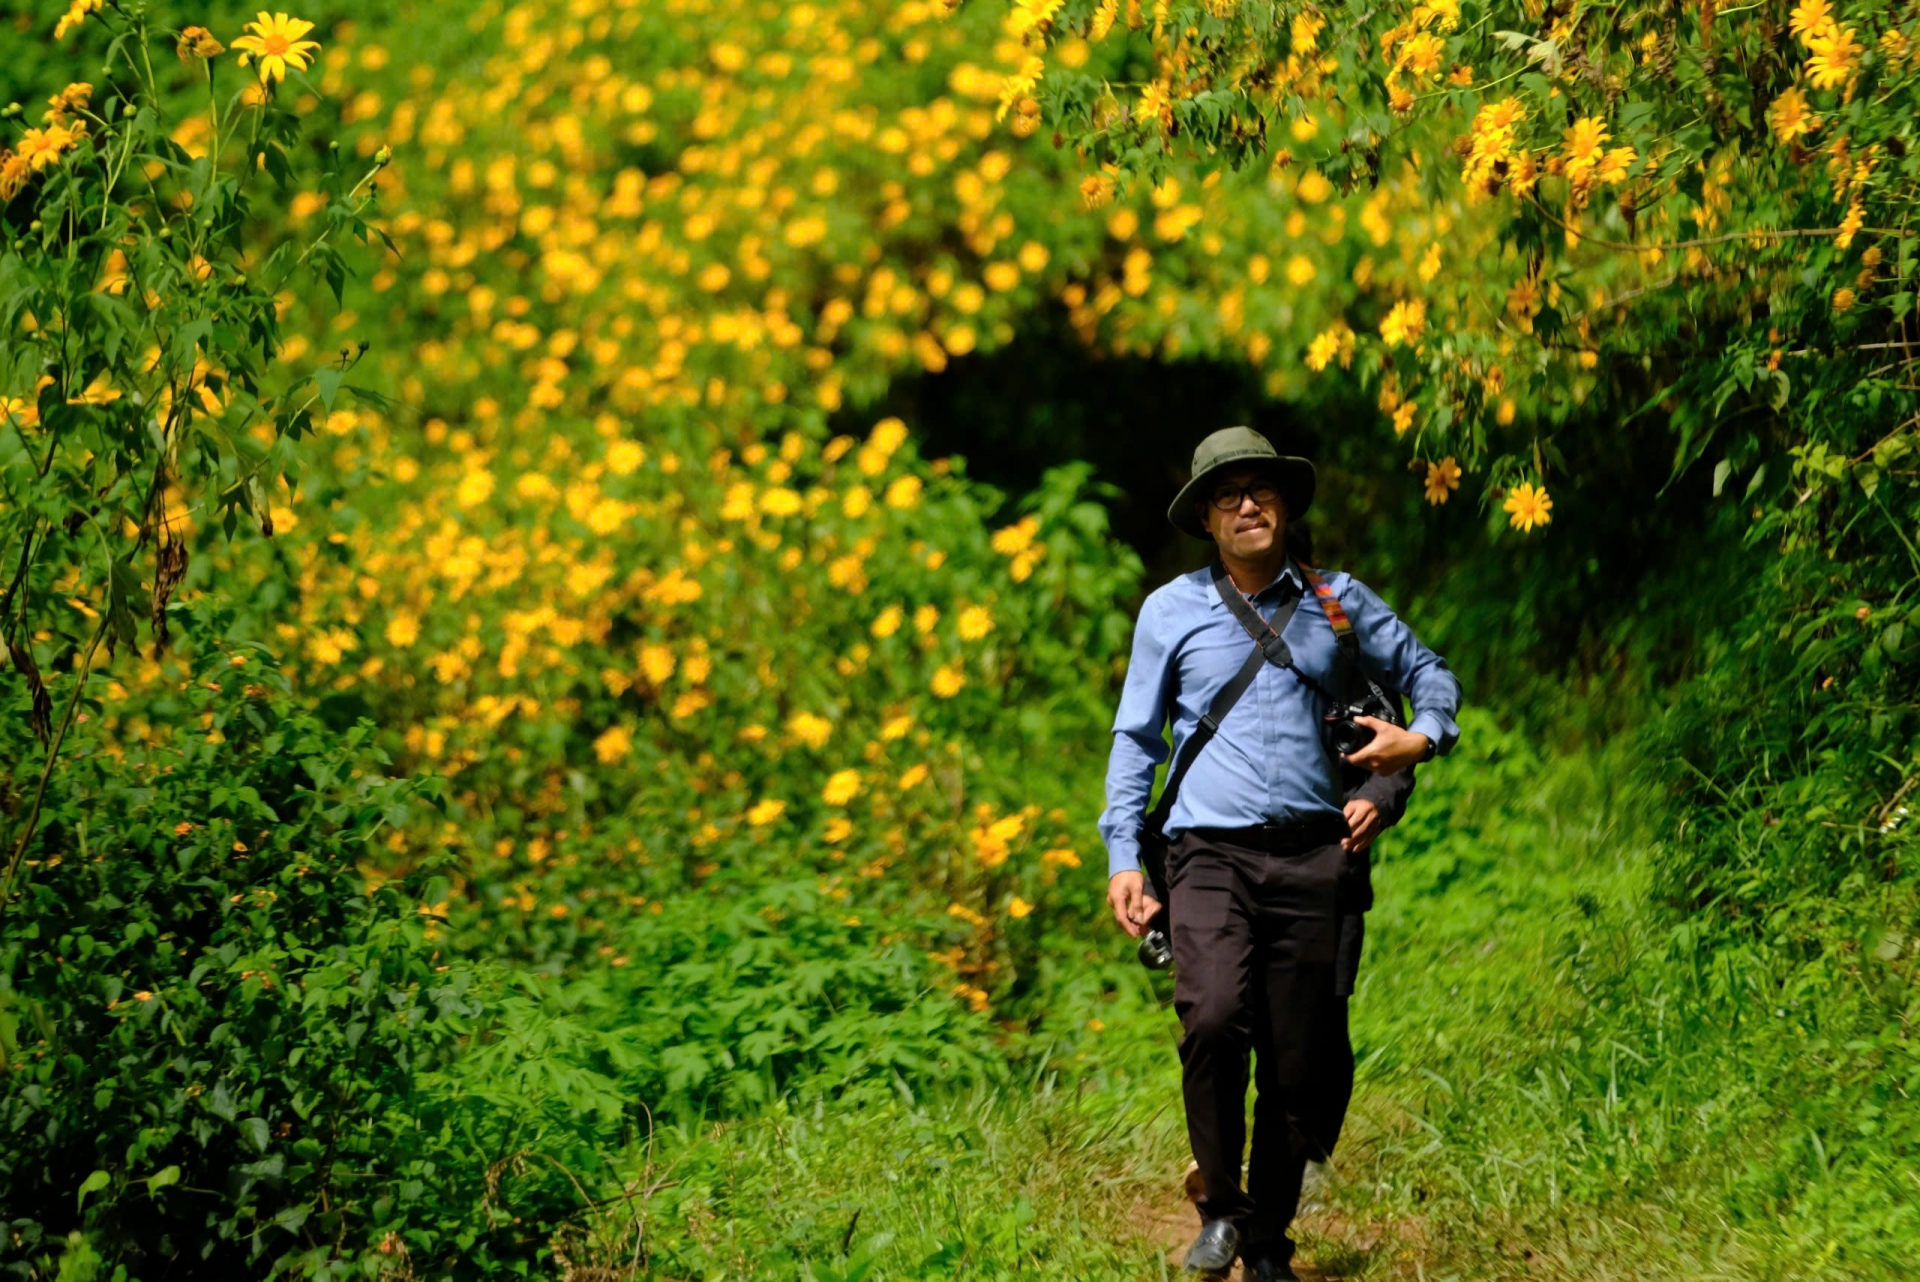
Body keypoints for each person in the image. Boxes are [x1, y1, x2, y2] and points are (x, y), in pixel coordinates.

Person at [1099, 426, 1462, 1280]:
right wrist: (1123, 851)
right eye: (1229, 494)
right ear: (1208, 519)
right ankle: (1221, 1207)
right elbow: (1135, 738)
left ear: (1286, 505)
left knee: (1300, 1063)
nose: (1248, 504)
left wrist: (1419, 742)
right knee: (1217, 1015)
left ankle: (1268, 1245)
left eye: (1261, 489)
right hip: (1206, 855)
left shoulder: (1339, 602)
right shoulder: (1171, 611)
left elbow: (1431, 673)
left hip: (1314, 855)